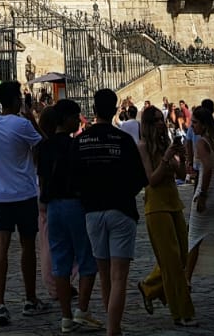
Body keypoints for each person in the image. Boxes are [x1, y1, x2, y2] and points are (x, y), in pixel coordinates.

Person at [78, 89, 149, 336]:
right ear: (115, 108)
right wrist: (123, 191)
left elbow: (72, 178)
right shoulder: (123, 140)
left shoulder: (81, 141)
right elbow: (140, 178)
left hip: (92, 211)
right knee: (119, 277)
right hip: (121, 208)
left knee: (105, 274)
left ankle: (113, 327)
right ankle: (113, 329)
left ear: (94, 109)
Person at [0, 80, 48, 327]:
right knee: (27, 246)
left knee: (1, 243)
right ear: (15, 101)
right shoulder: (22, 125)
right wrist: (32, 118)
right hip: (24, 193)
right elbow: (44, 145)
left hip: (0, 194)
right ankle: (30, 298)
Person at [37, 99, 97, 335]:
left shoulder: (44, 147)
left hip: (53, 207)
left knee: (60, 262)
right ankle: (82, 309)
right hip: (74, 204)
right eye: (75, 116)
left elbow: (42, 181)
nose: (78, 120)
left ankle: (66, 316)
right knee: (87, 259)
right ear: (65, 120)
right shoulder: (76, 145)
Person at [135, 105, 196, 326]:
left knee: (182, 256)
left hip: (173, 202)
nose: (162, 123)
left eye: (162, 119)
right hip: (157, 206)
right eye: (157, 120)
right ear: (149, 125)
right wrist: (165, 160)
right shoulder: (143, 147)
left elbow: (181, 175)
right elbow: (151, 179)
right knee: (170, 262)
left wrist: (181, 158)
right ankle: (182, 312)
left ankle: (150, 287)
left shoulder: (165, 145)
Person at [185, 100, 214, 302]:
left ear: (203, 124)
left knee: (194, 238)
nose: (192, 126)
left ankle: (186, 282)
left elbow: (208, 168)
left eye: (195, 122)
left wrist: (203, 194)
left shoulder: (202, 142)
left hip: (210, 192)